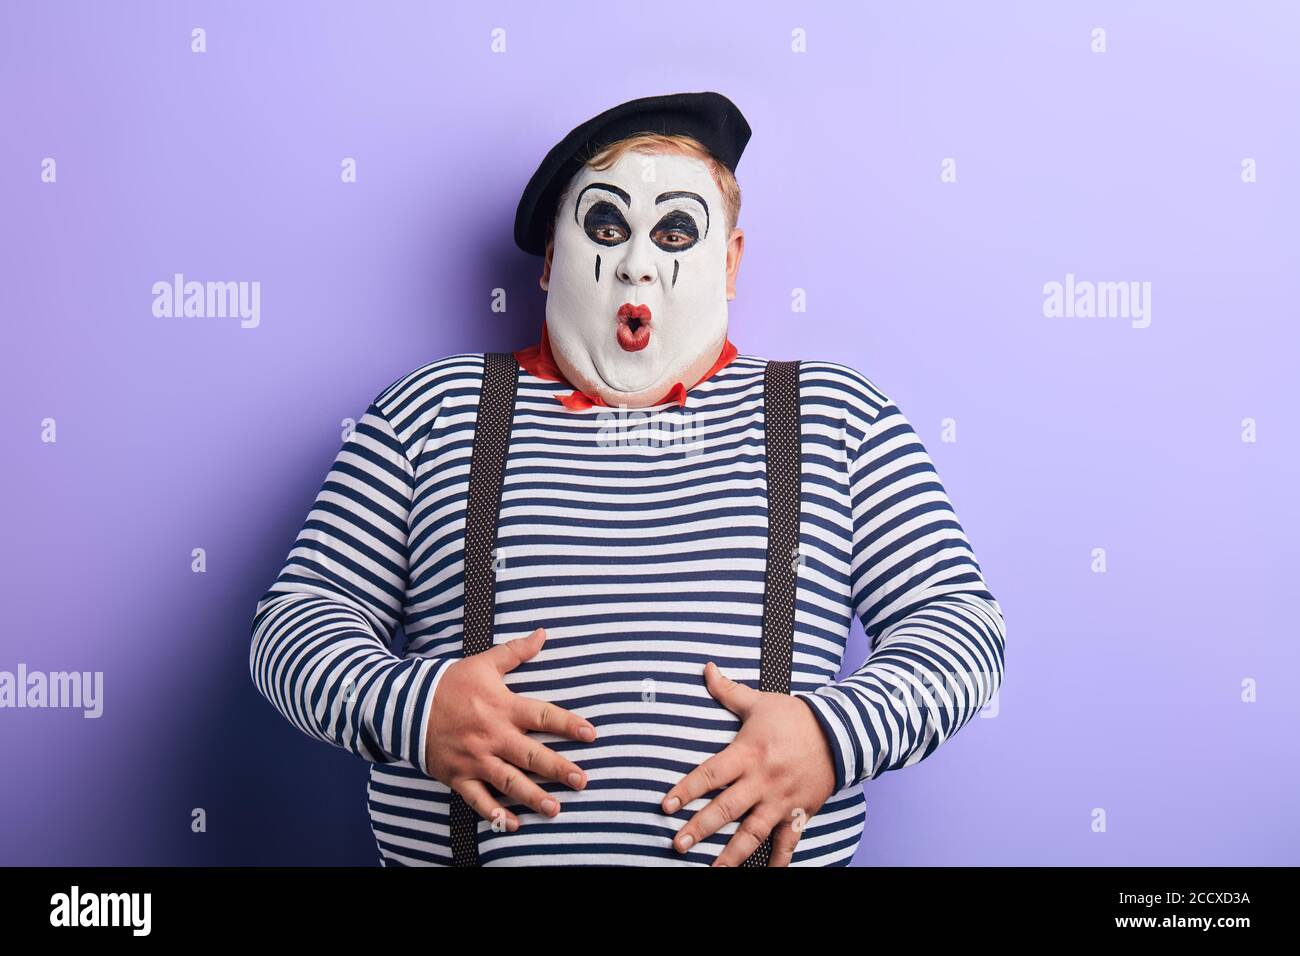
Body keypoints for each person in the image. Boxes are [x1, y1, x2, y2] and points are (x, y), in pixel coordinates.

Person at [249, 91, 1006, 866]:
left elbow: (962, 632)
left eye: (676, 230)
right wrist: (415, 709)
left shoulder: (835, 416)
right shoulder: (432, 410)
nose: (638, 263)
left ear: (731, 261)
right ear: (550, 260)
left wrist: (830, 738)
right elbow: (293, 625)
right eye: (606, 228)